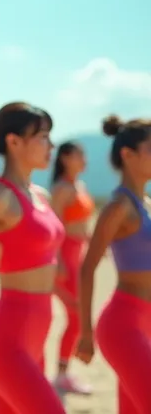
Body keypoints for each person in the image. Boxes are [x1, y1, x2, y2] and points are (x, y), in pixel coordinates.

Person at [0, 102, 66, 413]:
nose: (51, 145)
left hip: (38, 335)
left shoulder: (41, 196)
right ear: (14, 141)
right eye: (43, 137)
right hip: (8, 339)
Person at [76, 115, 151, 413]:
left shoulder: (145, 202)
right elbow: (87, 267)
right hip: (123, 325)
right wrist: (85, 332)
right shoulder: (118, 206)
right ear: (127, 154)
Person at [48, 141, 94, 395]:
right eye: (80, 154)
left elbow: (81, 224)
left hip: (79, 257)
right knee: (76, 317)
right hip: (65, 258)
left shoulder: (80, 186)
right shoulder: (62, 189)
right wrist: (59, 262)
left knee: (78, 317)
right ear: (65, 158)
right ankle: (62, 374)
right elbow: (54, 228)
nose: (84, 159)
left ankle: (64, 373)